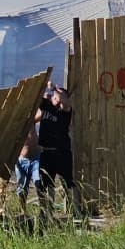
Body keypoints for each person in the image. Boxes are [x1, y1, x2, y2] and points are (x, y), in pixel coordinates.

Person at [37, 82, 75, 215]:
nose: (55, 97)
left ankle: (73, 210)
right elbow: (37, 95)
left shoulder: (65, 111)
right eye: (54, 95)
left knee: (67, 183)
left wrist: (54, 88)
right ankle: (46, 212)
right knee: (45, 184)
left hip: (62, 152)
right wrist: (45, 85)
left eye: (58, 95)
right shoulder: (46, 106)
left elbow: (65, 101)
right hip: (46, 152)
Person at [14, 120, 42, 213]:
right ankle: (23, 211)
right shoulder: (13, 123)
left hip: (36, 158)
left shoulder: (30, 118)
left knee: (39, 183)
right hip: (22, 159)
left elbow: (41, 113)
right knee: (21, 187)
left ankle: (43, 211)